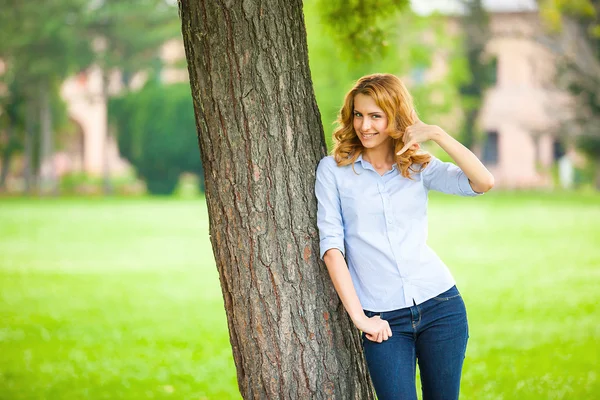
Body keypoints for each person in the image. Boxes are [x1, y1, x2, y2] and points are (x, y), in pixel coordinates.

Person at [314, 73, 494, 400]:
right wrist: (360, 317)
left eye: (375, 116)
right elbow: (332, 247)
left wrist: (437, 134)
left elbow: (483, 182)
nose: (364, 125)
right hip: (383, 320)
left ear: (394, 118)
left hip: (442, 306)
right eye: (358, 114)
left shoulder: (418, 167)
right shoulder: (333, 171)